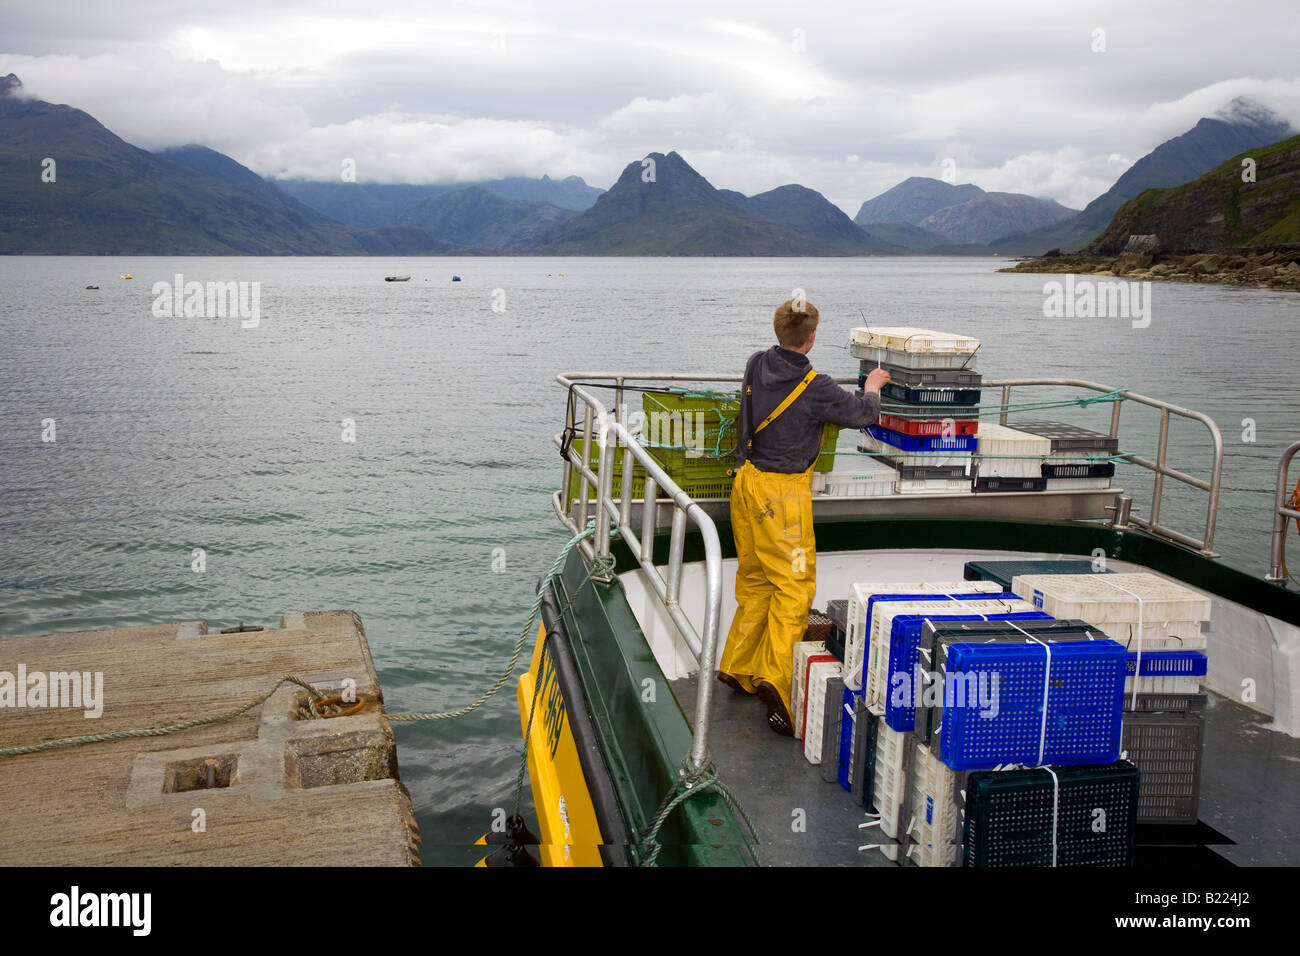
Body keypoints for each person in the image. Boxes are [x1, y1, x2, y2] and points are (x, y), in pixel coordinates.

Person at [718, 298, 889, 735]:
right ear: (811, 338)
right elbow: (865, 413)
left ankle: (738, 665)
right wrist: (873, 384)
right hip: (783, 497)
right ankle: (776, 679)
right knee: (793, 588)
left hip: (746, 483)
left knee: (756, 580)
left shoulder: (755, 363)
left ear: (778, 332)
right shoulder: (817, 385)